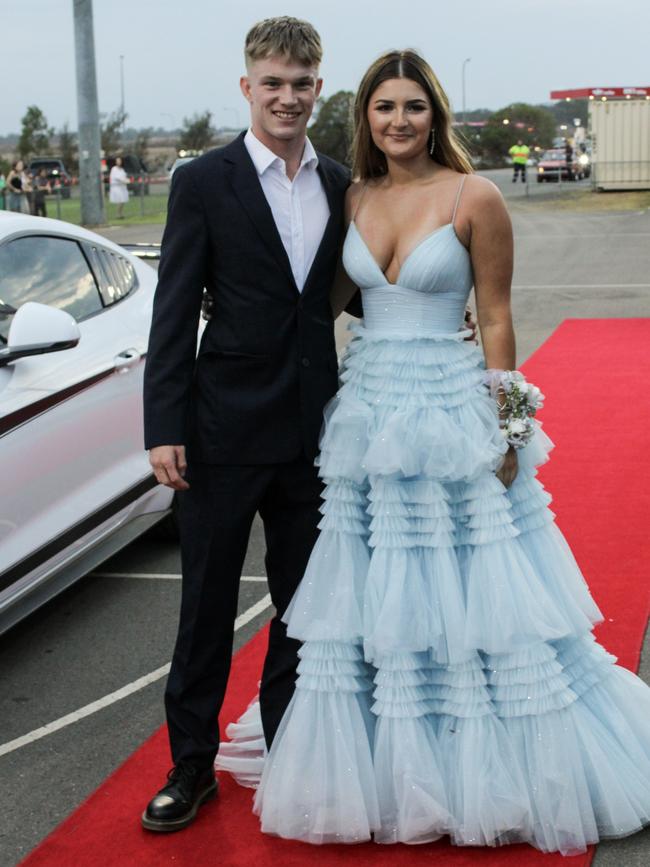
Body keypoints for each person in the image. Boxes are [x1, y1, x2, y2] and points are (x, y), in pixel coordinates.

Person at [219, 49, 650, 855]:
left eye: (413, 106)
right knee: (378, 597)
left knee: (470, 596)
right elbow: (321, 303)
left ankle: (485, 767)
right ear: (366, 118)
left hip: (453, 411)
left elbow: (497, 322)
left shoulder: (474, 195)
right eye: (384, 108)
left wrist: (513, 430)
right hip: (369, 413)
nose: (399, 121)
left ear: (435, 114)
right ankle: (393, 768)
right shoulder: (350, 195)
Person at [142, 16, 476, 836]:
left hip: (314, 434)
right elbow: (173, 311)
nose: (287, 97)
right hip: (219, 433)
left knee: (307, 612)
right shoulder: (201, 181)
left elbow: (348, 284)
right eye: (273, 83)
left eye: (302, 84)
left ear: (318, 88)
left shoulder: (338, 182)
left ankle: (296, 748)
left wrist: (424, 314)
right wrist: (164, 425)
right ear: (247, 86)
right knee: (205, 608)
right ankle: (190, 764)